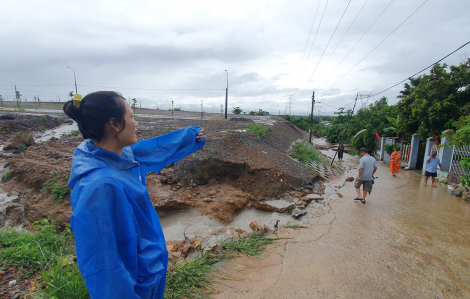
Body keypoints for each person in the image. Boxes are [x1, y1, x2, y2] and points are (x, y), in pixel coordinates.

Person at [63, 91, 205, 299]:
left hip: (149, 271)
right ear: (114, 125)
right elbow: (105, 268)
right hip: (135, 285)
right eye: (131, 117)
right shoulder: (99, 187)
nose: (136, 123)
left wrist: (189, 137)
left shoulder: (118, 155)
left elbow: (154, 148)